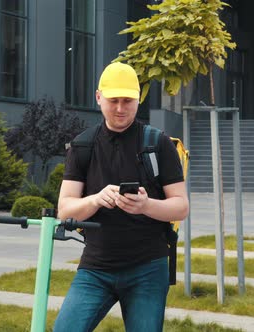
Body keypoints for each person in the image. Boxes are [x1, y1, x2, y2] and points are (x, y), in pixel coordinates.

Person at [53, 62, 189, 332]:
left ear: (138, 99)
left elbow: (181, 207)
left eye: (127, 100)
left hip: (148, 267)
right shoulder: (83, 146)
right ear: (98, 97)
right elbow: (65, 210)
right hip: (96, 266)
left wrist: (145, 205)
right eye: (113, 100)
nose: (119, 108)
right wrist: (95, 199)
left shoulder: (158, 143)